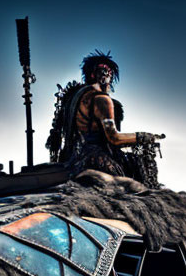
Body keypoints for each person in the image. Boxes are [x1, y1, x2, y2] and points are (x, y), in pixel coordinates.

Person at [46, 50, 164, 187]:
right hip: (98, 161)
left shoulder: (77, 97)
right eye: (108, 75)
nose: (109, 81)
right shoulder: (101, 99)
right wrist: (143, 137)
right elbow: (114, 138)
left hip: (77, 160)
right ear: (99, 76)